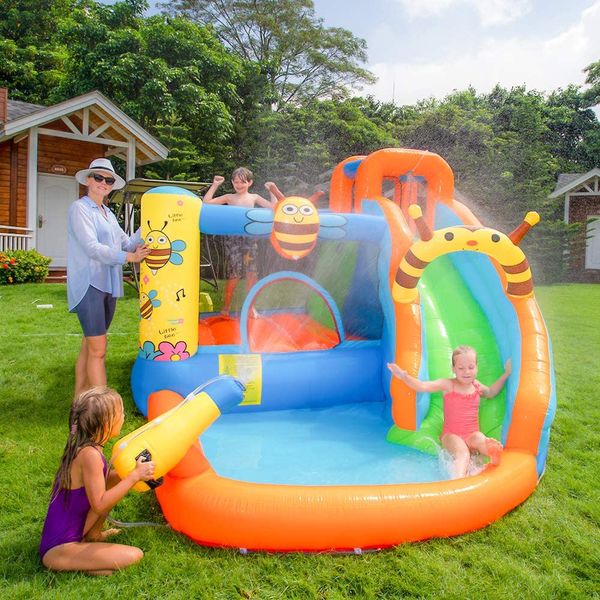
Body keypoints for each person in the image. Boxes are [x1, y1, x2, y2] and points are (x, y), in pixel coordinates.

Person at [39, 387, 156, 576]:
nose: (124, 416)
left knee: (114, 481)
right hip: (60, 548)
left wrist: (127, 474)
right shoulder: (90, 455)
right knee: (135, 555)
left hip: (73, 534)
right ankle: (81, 563)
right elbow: (100, 504)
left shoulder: (88, 448)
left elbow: (102, 482)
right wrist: (134, 477)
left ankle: (92, 537)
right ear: (105, 423)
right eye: (121, 413)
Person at [68, 158, 150, 397]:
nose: (103, 183)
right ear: (88, 180)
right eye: (98, 178)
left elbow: (128, 242)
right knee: (99, 350)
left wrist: (151, 222)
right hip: (89, 284)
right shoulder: (80, 209)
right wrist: (129, 258)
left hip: (108, 285)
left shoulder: (108, 214)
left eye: (109, 180)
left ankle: (79, 400)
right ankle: (103, 409)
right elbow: (92, 248)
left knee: (90, 345)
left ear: (113, 184)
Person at [387, 345, 511, 479]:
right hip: (451, 435)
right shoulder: (448, 385)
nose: (466, 372)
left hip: (471, 434)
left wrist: (506, 375)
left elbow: (491, 392)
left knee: (480, 438)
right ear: (453, 369)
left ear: (477, 367)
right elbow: (422, 386)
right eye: (461, 368)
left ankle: (492, 453)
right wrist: (403, 376)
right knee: (462, 453)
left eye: (471, 367)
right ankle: (458, 480)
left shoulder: (477, 386)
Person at [202, 167, 279, 315]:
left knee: (252, 273)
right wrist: (215, 185)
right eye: (236, 182)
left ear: (249, 183)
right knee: (234, 274)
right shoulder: (229, 198)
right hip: (234, 240)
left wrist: (272, 191)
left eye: (242, 182)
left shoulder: (254, 197)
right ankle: (226, 307)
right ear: (232, 182)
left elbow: (274, 207)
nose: (239, 185)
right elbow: (207, 203)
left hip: (250, 240)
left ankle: (251, 307)